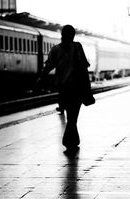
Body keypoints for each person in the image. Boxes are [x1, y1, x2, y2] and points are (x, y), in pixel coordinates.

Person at [38, 24, 91, 153]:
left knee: (70, 116)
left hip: (64, 89)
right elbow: (84, 68)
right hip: (76, 88)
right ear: (73, 36)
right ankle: (70, 141)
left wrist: (41, 78)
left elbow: (48, 66)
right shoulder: (77, 47)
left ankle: (70, 141)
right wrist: (87, 88)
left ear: (62, 35)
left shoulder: (55, 50)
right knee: (73, 116)